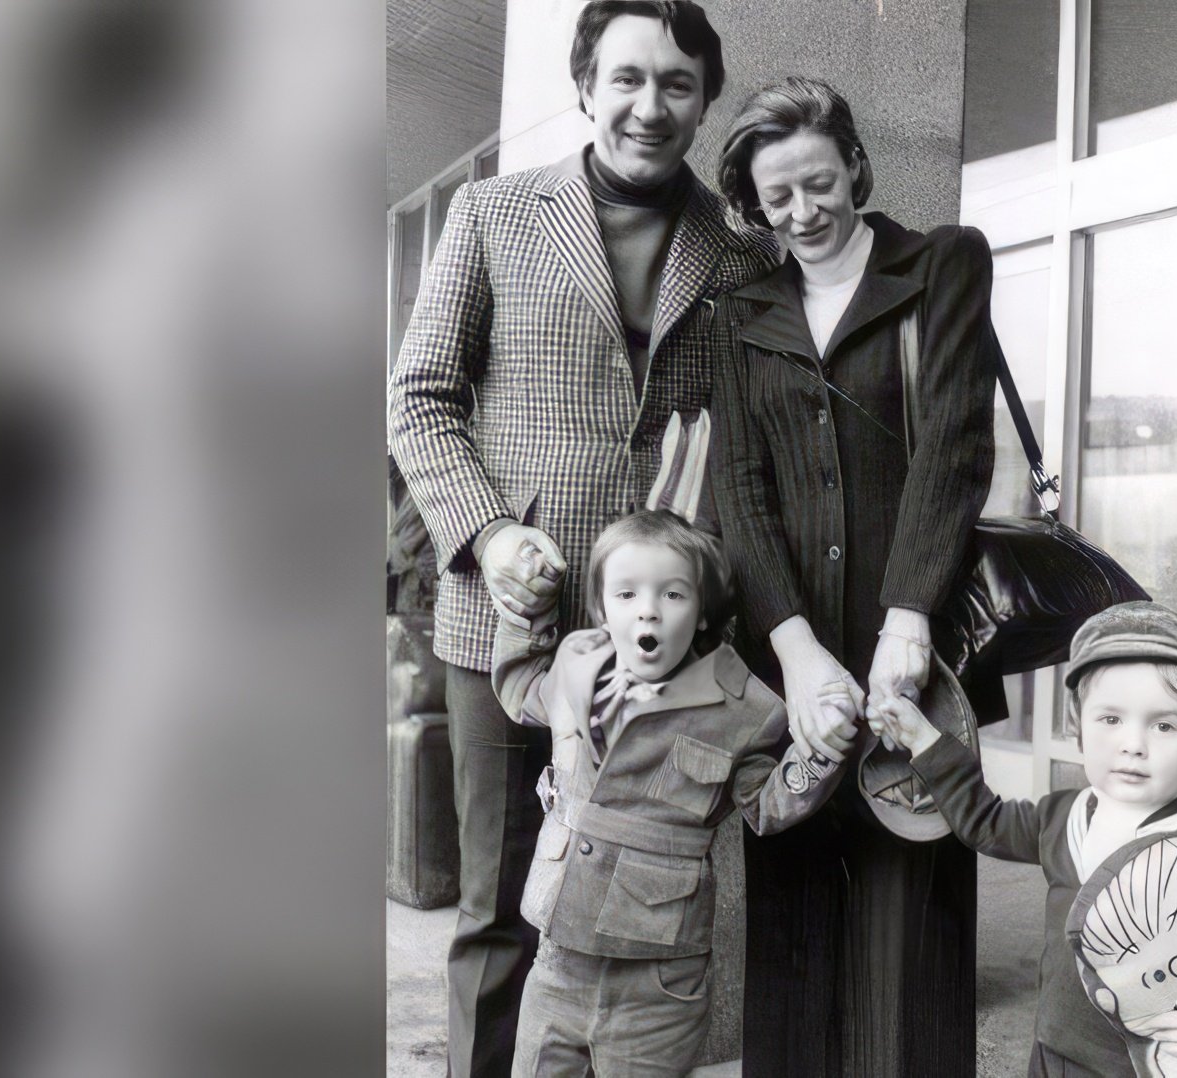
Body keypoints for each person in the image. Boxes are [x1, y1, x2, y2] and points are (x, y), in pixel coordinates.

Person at [386, 4, 776, 1074]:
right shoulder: (492, 212)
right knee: (500, 912)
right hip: (505, 624)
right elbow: (419, 396)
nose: (651, 106)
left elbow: (752, 446)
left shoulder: (740, 257)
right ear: (584, 84)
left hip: (664, 646)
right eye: (628, 79)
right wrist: (488, 532)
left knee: (635, 912)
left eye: (679, 84)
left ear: (705, 98)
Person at [709, 76, 1000, 1078]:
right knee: (789, 959)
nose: (803, 212)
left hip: (922, 665)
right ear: (752, 203)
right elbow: (738, 490)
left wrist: (907, 623)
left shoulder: (942, 265)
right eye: (777, 197)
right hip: (786, 676)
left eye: (819, 182)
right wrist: (793, 655)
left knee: (907, 959)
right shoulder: (740, 309)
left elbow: (956, 448)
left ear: (855, 164)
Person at [491, 510, 857, 1077]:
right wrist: (530, 614)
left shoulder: (742, 708)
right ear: (601, 608)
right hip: (558, 962)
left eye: (673, 594)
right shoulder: (579, 674)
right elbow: (519, 690)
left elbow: (766, 803)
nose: (648, 610)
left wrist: (822, 751)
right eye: (627, 593)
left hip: (658, 982)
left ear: (703, 610)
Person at [868, 602, 1177, 1077]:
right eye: (1111, 719)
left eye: (1164, 725)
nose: (1134, 744)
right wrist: (925, 739)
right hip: (1056, 1048)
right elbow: (985, 821)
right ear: (1077, 725)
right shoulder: (1064, 816)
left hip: (1148, 1065)